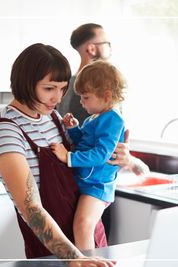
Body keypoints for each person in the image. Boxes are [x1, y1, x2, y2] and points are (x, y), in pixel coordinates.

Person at [0, 43, 118, 267]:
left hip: (90, 240)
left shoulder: (53, 118)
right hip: (55, 258)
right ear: (26, 83)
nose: (57, 98)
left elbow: (87, 158)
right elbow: (31, 208)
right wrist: (74, 257)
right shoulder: (7, 131)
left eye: (62, 89)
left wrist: (122, 157)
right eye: (49, 89)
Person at [51, 60, 126, 251]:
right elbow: (84, 144)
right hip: (87, 182)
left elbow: (101, 154)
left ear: (107, 96)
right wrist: (74, 129)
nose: (82, 102)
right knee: (81, 226)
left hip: (97, 186)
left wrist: (68, 157)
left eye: (85, 97)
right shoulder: (96, 117)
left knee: (83, 225)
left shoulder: (113, 119)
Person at [57, 22, 149, 176]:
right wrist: (131, 162)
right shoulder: (94, 96)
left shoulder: (66, 87)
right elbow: (92, 146)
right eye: (106, 43)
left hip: (82, 173)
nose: (110, 48)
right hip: (93, 176)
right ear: (92, 48)